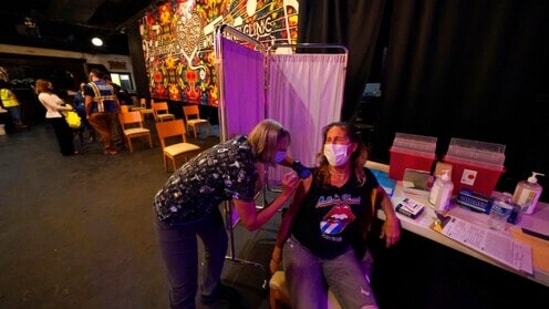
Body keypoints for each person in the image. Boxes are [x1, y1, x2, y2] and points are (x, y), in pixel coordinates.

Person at [153, 119, 310, 309]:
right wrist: (284, 196)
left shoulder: (248, 143)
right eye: (280, 150)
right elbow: (251, 223)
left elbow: (272, 154)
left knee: (219, 244)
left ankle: (210, 292)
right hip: (173, 212)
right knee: (184, 284)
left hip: (202, 205)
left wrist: (297, 165)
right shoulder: (241, 169)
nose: (283, 154)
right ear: (266, 148)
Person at [269, 121, 401, 309]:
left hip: (340, 251)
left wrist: (391, 217)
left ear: (353, 147)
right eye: (328, 140)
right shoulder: (311, 178)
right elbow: (290, 215)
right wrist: (277, 251)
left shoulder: (363, 178)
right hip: (303, 249)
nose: (331, 145)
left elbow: (380, 193)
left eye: (337, 140)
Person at [35, 79, 77, 156]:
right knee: (62, 134)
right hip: (55, 116)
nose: (51, 86)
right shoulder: (43, 95)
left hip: (62, 114)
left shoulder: (52, 94)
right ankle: (66, 151)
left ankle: (70, 149)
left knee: (68, 133)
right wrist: (70, 108)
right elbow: (55, 106)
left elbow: (61, 102)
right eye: (49, 84)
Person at [84, 68, 121, 155]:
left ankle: (110, 148)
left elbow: (88, 103)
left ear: (92, 74)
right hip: (110, 111)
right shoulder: (110, 86)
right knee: (108, 130)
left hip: (97, 112)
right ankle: (109, 147)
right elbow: (116, 100)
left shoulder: (90, 86)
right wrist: (118, 110)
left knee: (104, 131)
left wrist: (87, 113)